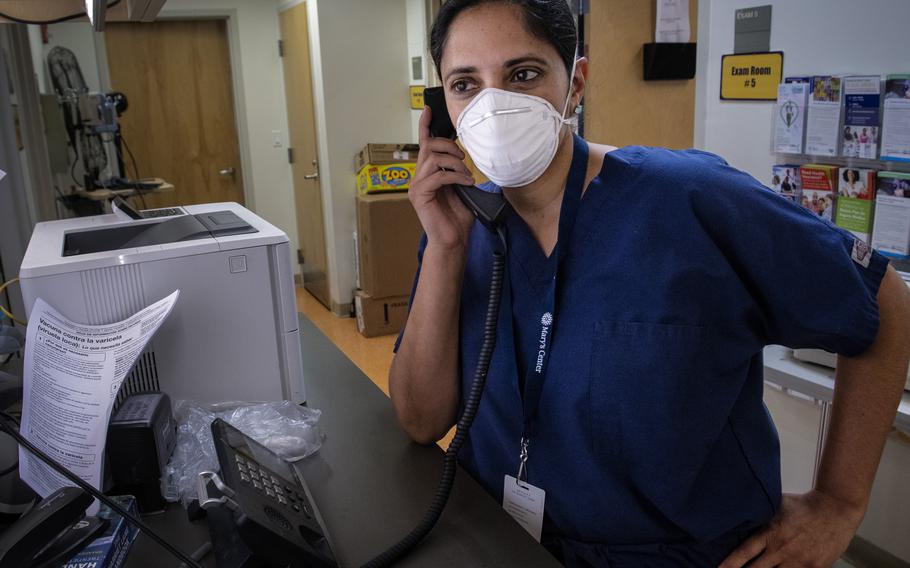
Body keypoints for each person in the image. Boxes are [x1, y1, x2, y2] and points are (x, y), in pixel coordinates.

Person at [389, 1, 910, 566]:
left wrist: (839, 500)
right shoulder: (462, 227)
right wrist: (444, 249)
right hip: (502, 541)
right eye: (466, 83)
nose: (495, 104)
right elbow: (421, 420)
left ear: (576, 82)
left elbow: (883, 301)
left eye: (523, 74)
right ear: (442, 110)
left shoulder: (691, 201)